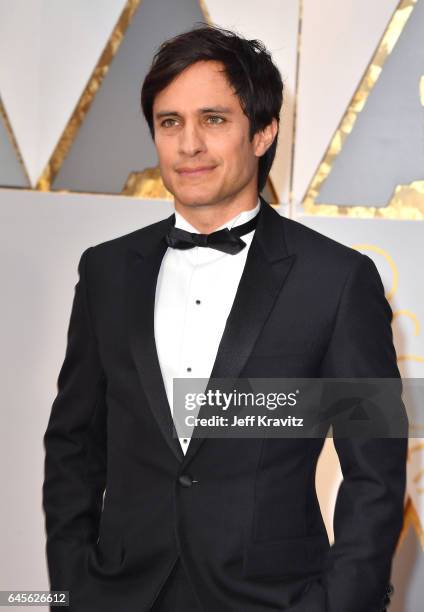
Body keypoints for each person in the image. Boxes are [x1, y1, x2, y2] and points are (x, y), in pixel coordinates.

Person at [42, 24, 407, 612]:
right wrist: (70, 592)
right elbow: (73, 448)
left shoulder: (338, 280)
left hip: (273, 598)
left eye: (213, 120)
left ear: (263, 132)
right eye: (170, 122)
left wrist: (342, 603)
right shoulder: (106, 272)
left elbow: (377, 469)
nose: (188, 145)